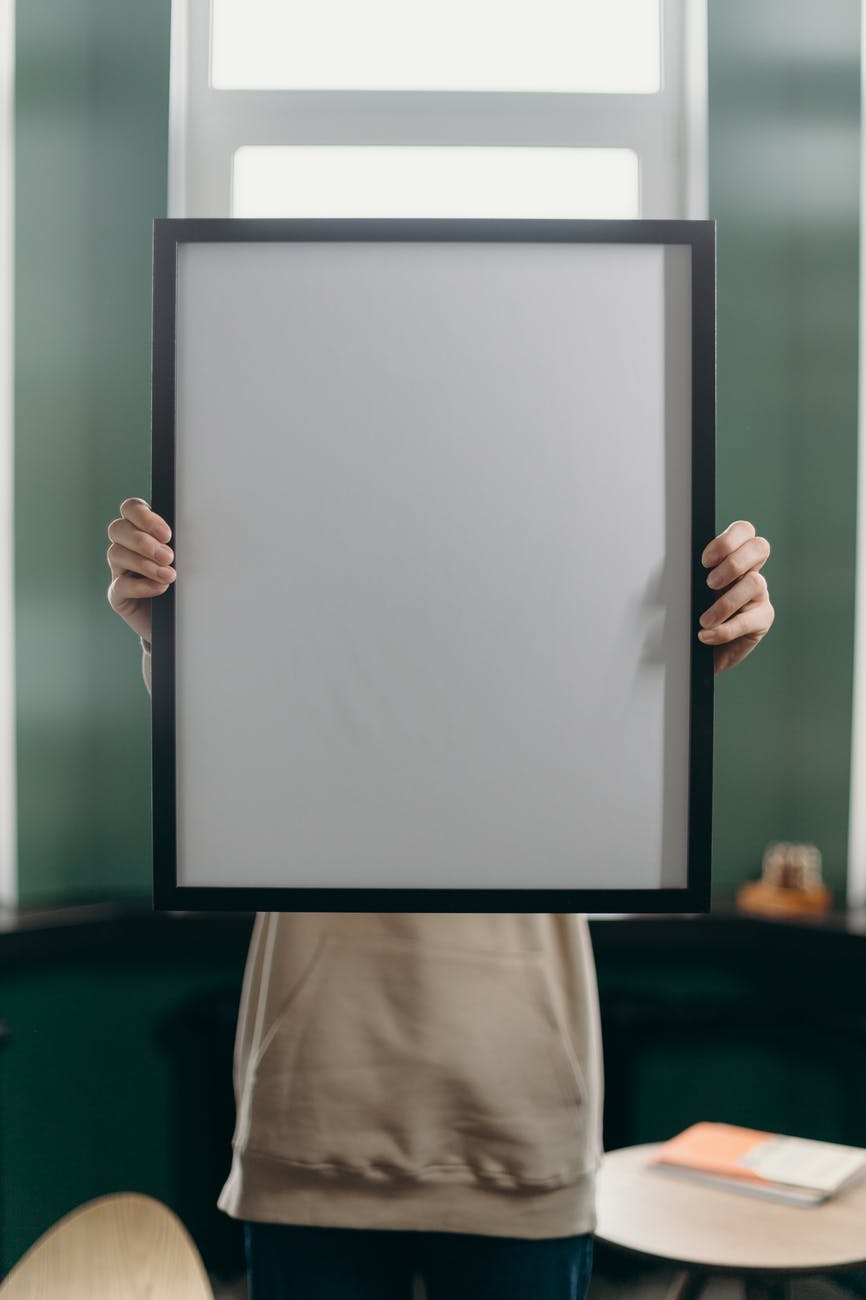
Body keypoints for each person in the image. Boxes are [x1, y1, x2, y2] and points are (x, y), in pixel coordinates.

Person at [107, 501, 774, 1300]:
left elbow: (616, 795)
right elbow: (223, 758)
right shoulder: (288, 509)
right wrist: (168, 631)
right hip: (318, 1107)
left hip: (521, 1113)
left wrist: (684, 671)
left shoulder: (582, 518)